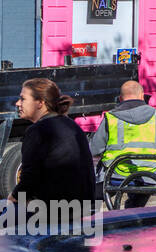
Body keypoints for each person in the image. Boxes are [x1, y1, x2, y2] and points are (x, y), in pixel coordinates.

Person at [8, 78, 94, 210]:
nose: (18, 103)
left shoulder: (37, 131)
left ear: (40, 102)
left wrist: (14, 196)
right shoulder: (72, 125)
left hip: (54, 211)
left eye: (23, 99)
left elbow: (29, 179)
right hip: (82, 207)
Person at [88, 80, 156, 208]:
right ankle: (132, 218)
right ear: (142, 96)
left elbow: (94, 149)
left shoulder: (111, 118)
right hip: (149, 177)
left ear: (120, 98)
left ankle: (89, 224)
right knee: (138, 199)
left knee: (89, 197)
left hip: (115, 175)